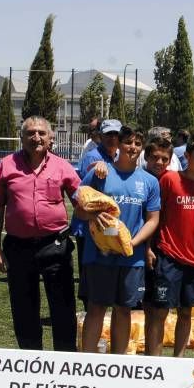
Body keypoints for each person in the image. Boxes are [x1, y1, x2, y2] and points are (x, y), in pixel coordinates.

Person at [0, 116, 80, 351]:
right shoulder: (6, 165)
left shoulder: (63, 166)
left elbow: (83, 202)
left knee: (63, 306)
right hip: (18, 247)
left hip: (55, 245)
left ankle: (65, 359)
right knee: (23, 307)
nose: (35, 137)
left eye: (41, 133)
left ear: (50, 138)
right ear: (21, 137)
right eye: (30, 133)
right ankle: (31, 360)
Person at [77, 125, 160, 353]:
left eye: (137, 143)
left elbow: (153, 220)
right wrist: (93, 214)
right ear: (118, 145)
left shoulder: (149, 182)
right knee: (96, 308)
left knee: (124, 310)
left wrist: (132, 244)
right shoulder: (100, 173)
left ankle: (118, 361)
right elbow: (79, 209)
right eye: (128, 142)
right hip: (99, 254)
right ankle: (88, 361)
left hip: (130, 257)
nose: (132, 147)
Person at [144, 134, 194, 357]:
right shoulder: (170, 180)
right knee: (160, 312)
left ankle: (178, 361)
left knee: (186, 313)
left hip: (193, 260)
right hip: (168, 256)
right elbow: (154, 216)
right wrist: (147, 247)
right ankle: (154, 363)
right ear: (187, 156)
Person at [72, 119, 121, 310]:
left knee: (108, 272)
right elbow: (84, 194)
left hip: (107, 225)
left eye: (116, 134)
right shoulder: (92, 158)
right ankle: (89, 315)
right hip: (88, 226)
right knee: (90, 274)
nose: (112, 138)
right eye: (108, 134)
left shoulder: (120, 157)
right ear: (100, 136)